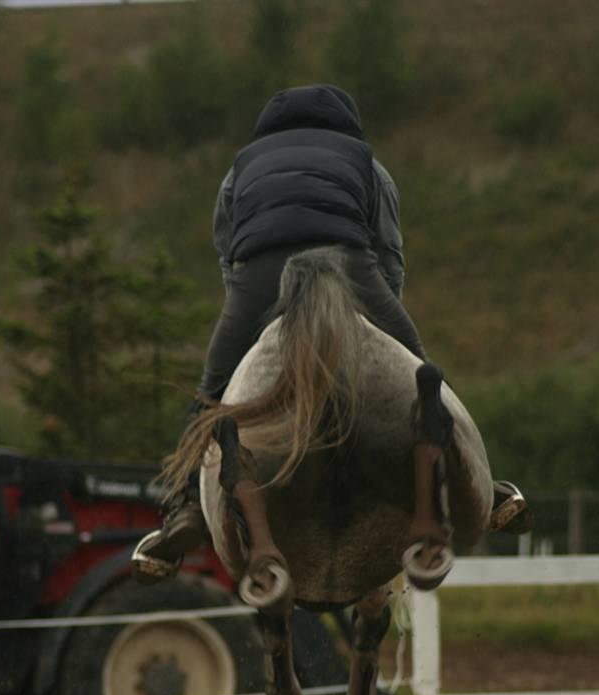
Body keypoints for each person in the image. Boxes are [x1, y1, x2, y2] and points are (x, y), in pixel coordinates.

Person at [136, 84, 529, 575]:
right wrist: (377, 332)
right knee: (424, 369)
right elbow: (389, 256)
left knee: (211, 395)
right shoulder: (366, 163)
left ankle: (183, 510)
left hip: (259, 276)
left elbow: (228, 257)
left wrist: (251, 322)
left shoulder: (239, 169)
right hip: (350, 267)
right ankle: (478, 484)